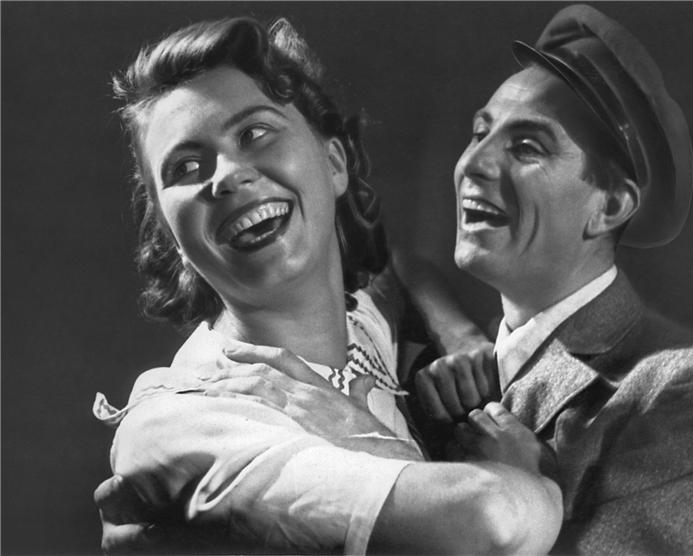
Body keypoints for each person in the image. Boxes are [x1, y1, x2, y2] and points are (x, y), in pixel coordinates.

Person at [92, 16, 561, 555]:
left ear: (335, 164)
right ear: (170, 235)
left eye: (254, 133)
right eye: (185, 167)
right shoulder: (182, 422)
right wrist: (526, 476)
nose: (226, 176)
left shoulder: (356, 325)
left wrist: (458, 336)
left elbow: (394, 272)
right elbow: (489, 522)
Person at [413, 4, 693, 554]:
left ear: (609, 207)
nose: (473, 164)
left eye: (526, 147)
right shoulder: (447, 359)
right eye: (479, 132)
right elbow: (384, 260)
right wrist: (455, 331)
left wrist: (524, 494)